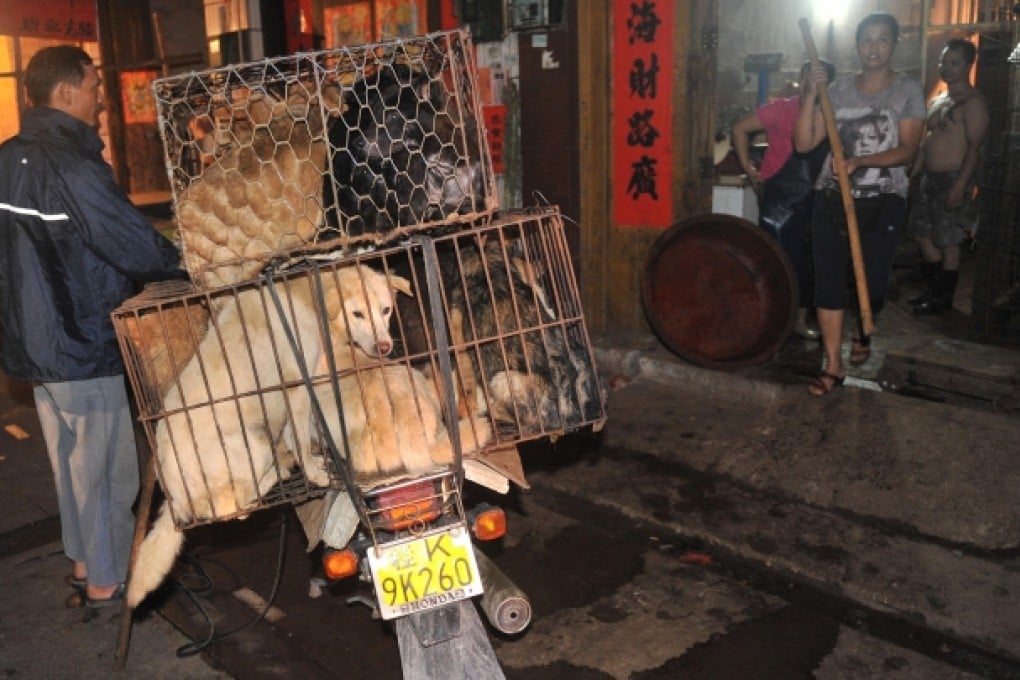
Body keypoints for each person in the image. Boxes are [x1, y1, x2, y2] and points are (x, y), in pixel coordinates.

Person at [0, 46, 183, 608]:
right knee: (106, 470)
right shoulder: (72, 165)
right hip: (81, 338)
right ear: (65, 93)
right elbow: (128, 242)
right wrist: (184, 262)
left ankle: (84, 559)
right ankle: (107, 578)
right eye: (94, 86)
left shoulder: (8, 158)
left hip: (36, 345)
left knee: (71, 466)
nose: (101, 99)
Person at [793, 12, 926, 396]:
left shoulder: (907, 91)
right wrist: (810, 96)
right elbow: (803, 143)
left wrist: (860, 161)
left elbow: (907, 149)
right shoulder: (836, 91)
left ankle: (862, 330)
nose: (873, 47)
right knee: (829, 282)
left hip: (884, 201)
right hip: (832, 199)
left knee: (875, 282)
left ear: (894, 44)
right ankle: (833, 366)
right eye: (866, 39)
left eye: (882, 39)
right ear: (856, 45)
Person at [732, 59, 836, 341]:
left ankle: (800, 316)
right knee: (777, 256)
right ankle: (773, 316)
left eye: (816, 79)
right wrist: (749, 169)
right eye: (806, 77)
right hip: (778, 196)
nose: (809, 84)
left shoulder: (831, 113)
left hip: (817, 195)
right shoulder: (780, 109)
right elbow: (739, 129)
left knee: (810, 258)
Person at [907, 38, 989, 315]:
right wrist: (913, 174)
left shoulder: (974, 103)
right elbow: (925, 142)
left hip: (953, 178)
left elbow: (974, 149)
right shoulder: (939, 99)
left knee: (949, 241)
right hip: (928, 178)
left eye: (954, 63)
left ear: (968, 65)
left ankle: (942, 300)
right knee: (923, 235)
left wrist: (960, 186)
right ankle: (933, 291)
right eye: (943, 61)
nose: (946, 67)